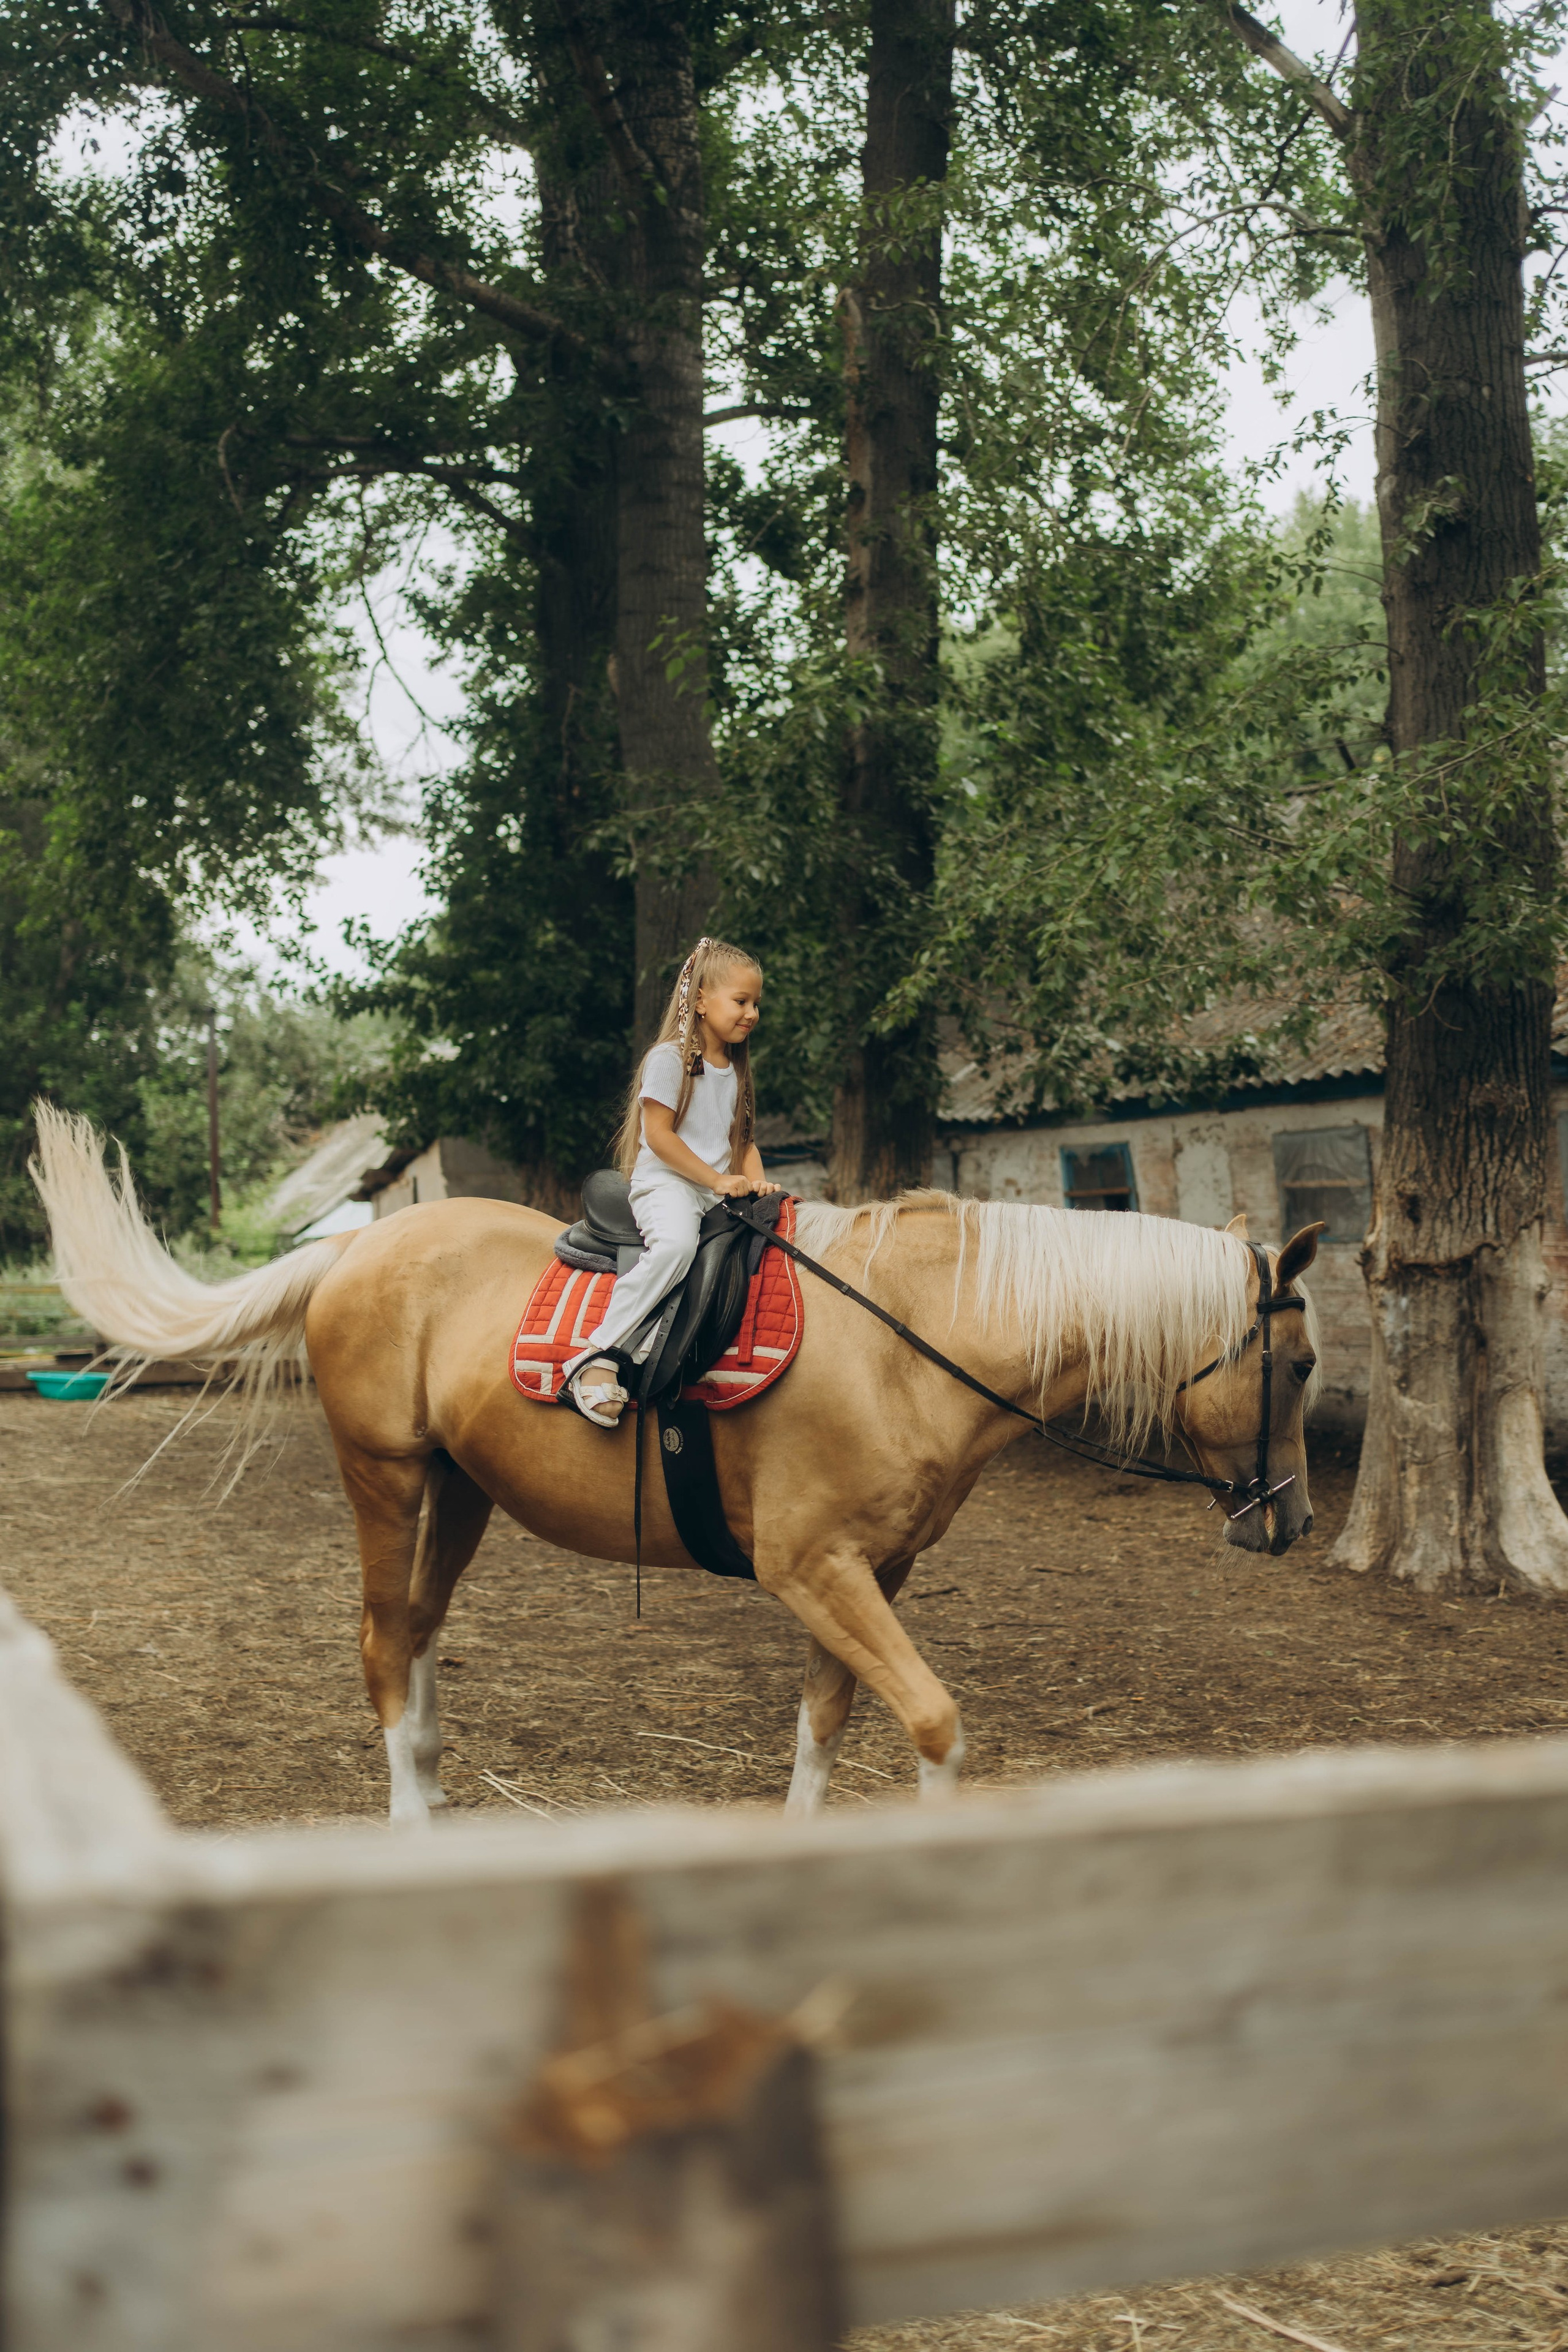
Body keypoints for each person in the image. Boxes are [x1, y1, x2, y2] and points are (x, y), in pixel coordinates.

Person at [564, 937, 781, 1426]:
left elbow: (743, 1142)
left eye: (756, 1004)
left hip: (714, 1189)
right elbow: (658, 1138)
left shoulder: (737, 1070)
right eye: (741, 1002)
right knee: (676, 1248)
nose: (752, 1014)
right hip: (670, 1186)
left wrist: (761, 1185)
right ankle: (597, 1356)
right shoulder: (669, 1060)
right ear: (701, 1000)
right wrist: (717, 1180)